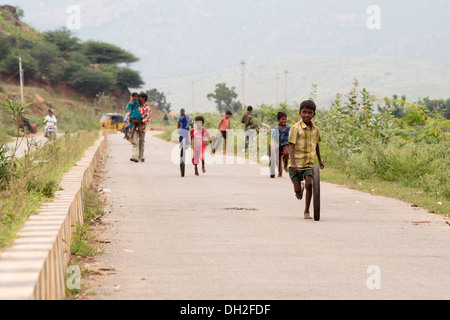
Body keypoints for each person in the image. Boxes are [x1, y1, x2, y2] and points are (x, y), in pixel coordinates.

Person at [288, 100, 325, 220]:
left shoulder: (316, 130)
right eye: (304, 112)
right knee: (298, 192)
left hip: (309, 164)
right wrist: (293, 162)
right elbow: (291, 146)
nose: (307, 115)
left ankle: (306, 211)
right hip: (296, 165)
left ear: (314, 114)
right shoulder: (295, 128)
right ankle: (300, 188)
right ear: (300, 113)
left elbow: (317, 145)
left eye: (310, 113)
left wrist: (319, 160)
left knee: (310, 184)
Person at [130, 93, 152, 163]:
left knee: (141, 143)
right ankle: (134, 157)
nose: (139, 99)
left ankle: (141, 157)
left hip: (142, 127)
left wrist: (140, 121)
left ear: (144, 99)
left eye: (140, 98)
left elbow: (147, 118)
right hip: (134, 126)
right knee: (135, 142)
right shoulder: (136, 106)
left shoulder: (147, 108)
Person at [272, 112, 291, 177]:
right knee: (278, 158)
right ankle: (280, 171)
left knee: (286, 153)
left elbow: (291, 135)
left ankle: (285, 166)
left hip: (285, 143)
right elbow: (274, 137)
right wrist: (276, 144)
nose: (284, 121)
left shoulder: (288, 128)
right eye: (282, 119)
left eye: (285, 119)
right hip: (278, 144)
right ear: (278, 120)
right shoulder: (276, 129)